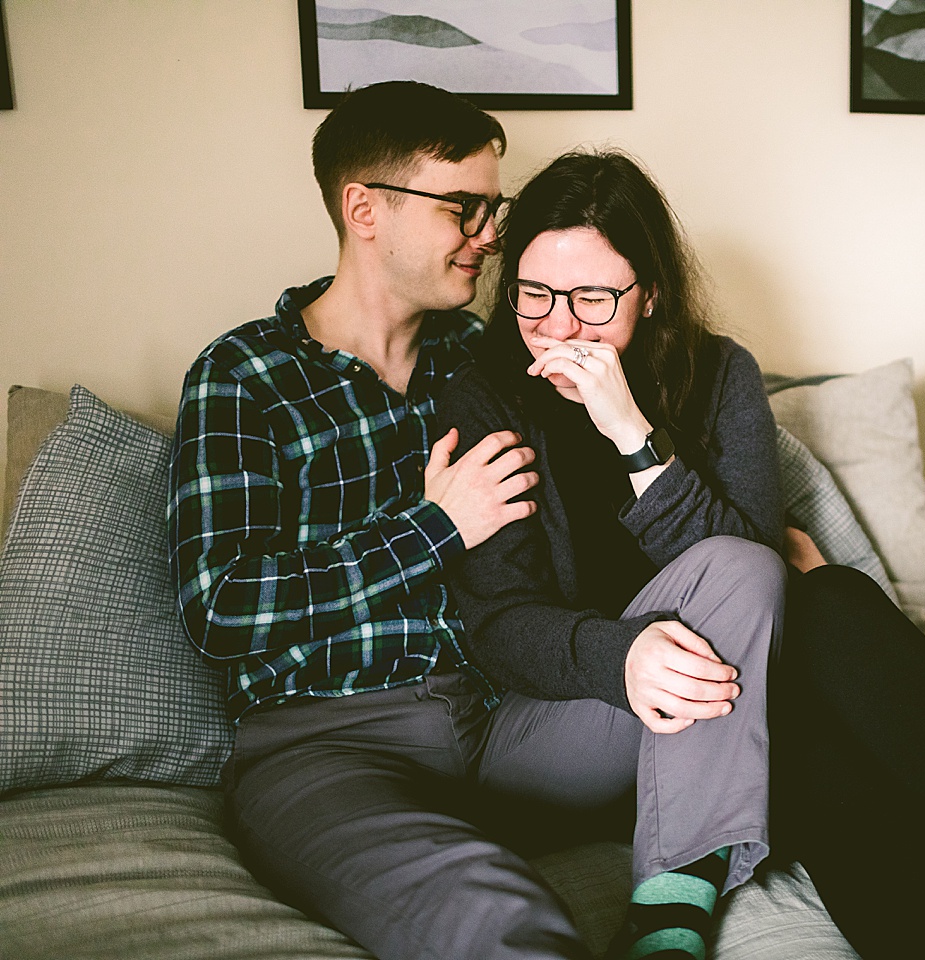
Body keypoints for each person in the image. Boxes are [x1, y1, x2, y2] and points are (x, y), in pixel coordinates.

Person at [440, 150, 925, 959]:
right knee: (812, 611)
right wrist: (624, 655)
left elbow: (746, 573)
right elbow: (501, 624)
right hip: (578, 722)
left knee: (823, 649)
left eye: (594, 299)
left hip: (728, 706)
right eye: (535, 295)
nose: (561, 328)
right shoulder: (484, 391)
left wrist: (632, 435)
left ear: (652, 292)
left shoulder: (719, 374)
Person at [167, 81, 697, 960]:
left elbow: (635, 457)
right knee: (492, 919)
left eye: (496, 209)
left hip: (507, 720)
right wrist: (434, 527)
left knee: (720, 680)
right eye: (466, 207)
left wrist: (757, 535)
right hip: (329, 746)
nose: (491, 236)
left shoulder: (488, 359)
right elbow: (221, 609)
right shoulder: (246, 375)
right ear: (363, 208)